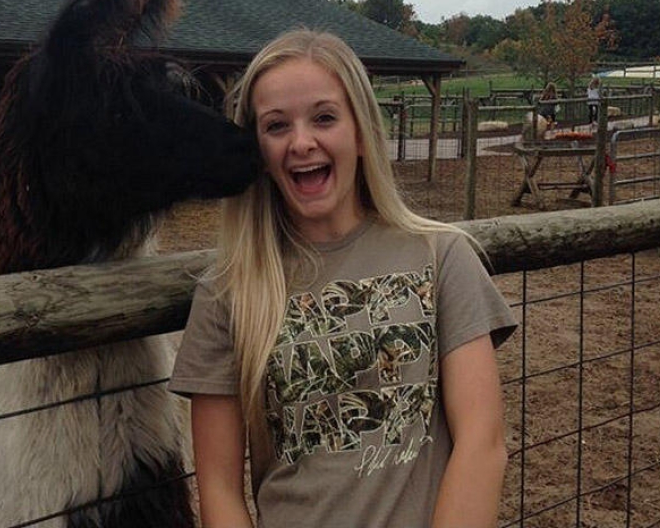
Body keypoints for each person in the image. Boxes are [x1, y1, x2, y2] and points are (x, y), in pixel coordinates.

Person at [170, 30, 516, 528]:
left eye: (324, 117)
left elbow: (482, 442)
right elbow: (220, 489)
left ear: (360, 131)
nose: (302, 142)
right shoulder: (228, 294)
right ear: (259, 152)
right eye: (276, 126)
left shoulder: (441, 257)